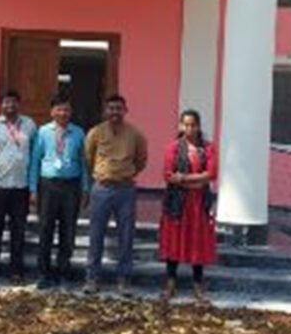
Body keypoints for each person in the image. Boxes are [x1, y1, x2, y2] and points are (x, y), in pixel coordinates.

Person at [83, 94, 148, 295]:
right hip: (102, 188)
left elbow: (141, 161)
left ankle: (124, 279)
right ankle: (92, 278)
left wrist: (124, 175)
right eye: (111, 108)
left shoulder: (135, 134)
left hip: (125, 190)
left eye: (118, 108)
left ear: (125, 110)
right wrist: (103, 175)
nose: (114, 112)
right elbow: (88, 157)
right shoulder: (95, 133)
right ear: (105, 111)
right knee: (96, 235)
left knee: (126, 236)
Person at [29, 92, 89, 290]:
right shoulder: (43, 132)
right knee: (45, 229)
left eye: (67, 109)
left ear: (71, 112)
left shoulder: (79, 133)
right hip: (48, 185)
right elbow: (35, 162)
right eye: (59, 109)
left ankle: (63, 271)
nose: (63, 113)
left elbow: (84, 164)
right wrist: (33, 189)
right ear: (52, 111)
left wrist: (85, 189)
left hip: (71, 186)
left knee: (68, 230)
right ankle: (43, 273)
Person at [158, 109, 218, 305]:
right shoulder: (173, 148)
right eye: (185, 124)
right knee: (174, 239)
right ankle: (170, 282)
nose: (189, 128)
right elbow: (168, 175)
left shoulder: (207, 148)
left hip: (199, 203)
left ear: (198, 126)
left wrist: (183, 178)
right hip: (177, 202)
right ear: (181, 125)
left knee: (197, 241)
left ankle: (198, 284)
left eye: (193, 124)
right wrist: (194, 181)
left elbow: (211, 175)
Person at [0, 89, 37, 284]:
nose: (10, 106)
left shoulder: (29, 125)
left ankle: (16, 270)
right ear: (1, 104)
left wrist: (32, 187)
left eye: (13, 102)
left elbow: (34, 158)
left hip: (21, 188)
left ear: (19, 104)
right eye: (6, 102)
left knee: (18, 231)